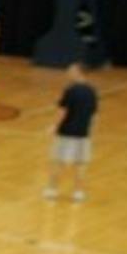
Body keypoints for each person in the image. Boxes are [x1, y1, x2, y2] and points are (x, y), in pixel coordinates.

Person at [45, 61, 98, 202]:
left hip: (66, 131)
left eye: (71, 70)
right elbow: (93, 114)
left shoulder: (70, 90)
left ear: (78, 72)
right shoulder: (92, 91)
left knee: (59, 161)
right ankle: (78, 192)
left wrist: (54, 126)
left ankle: (52, 189)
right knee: (80, 163)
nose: (68, 72)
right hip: (83, 133)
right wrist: (90, 130)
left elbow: (63, 111)